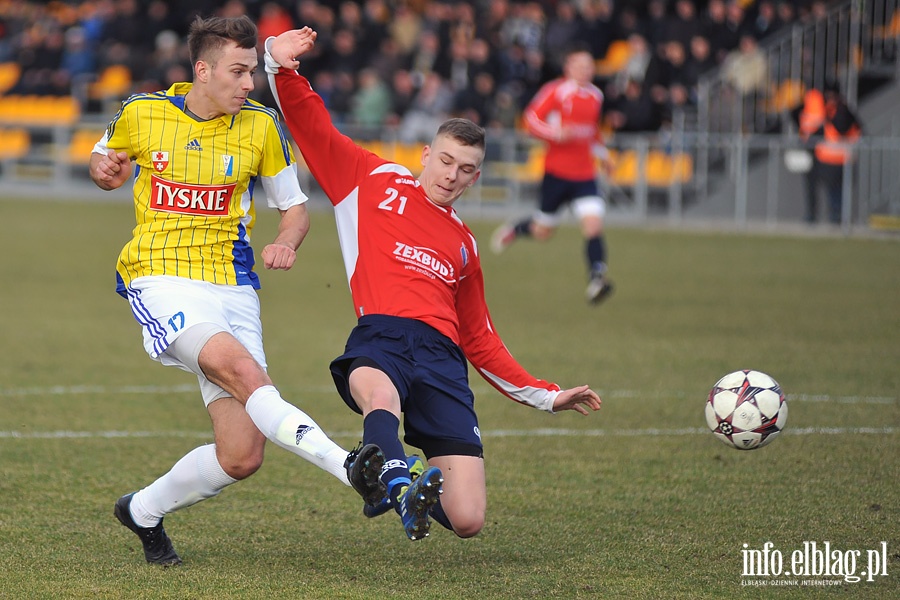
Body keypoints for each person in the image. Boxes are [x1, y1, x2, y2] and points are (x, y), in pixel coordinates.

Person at [264, 27, 602, 542]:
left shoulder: (465, 245)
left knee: (468, 519)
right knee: (379, 396)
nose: (451, 175)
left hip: (443, 360)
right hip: (384, 337)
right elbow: (315, 129)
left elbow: (482, 339)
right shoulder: (372, 180)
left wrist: (547, 397)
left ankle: (403, 486)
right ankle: (400, 486)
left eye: (466, 169)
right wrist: (279, 67)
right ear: (425, 154)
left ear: (475, 178)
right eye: (445, 160)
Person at [89, 15, 385, 567]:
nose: (249, 83)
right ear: (202, 70)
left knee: (243, 455)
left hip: (234, 284)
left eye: (252, 70)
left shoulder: (262, 126)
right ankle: (353, 469)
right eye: (239, 71)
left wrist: (288, 242)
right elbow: (105, 161)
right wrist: (104, 170)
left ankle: (142, 511)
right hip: (160, 276)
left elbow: (294, 209)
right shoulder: (142, 112)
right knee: (247, 376)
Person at [490, 44, 615, 305]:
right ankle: (517, 228)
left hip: (584, 175)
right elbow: (530, 118)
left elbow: (591, 131)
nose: (584, 71)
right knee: (543, 230)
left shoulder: (596, 96)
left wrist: (603, 156)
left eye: (588, 66)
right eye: (579, 66)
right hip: (556, 173)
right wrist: (554, 133)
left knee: (593, 225)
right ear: (568, 68)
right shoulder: (556, 91)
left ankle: (597, 278)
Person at [811, 84, 862, 225]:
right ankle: (838, 217)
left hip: (836, 160)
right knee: (838, 193)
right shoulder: (845, 112)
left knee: (837, 193)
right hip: (839, 160)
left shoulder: (833, 112)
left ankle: (838, 217)